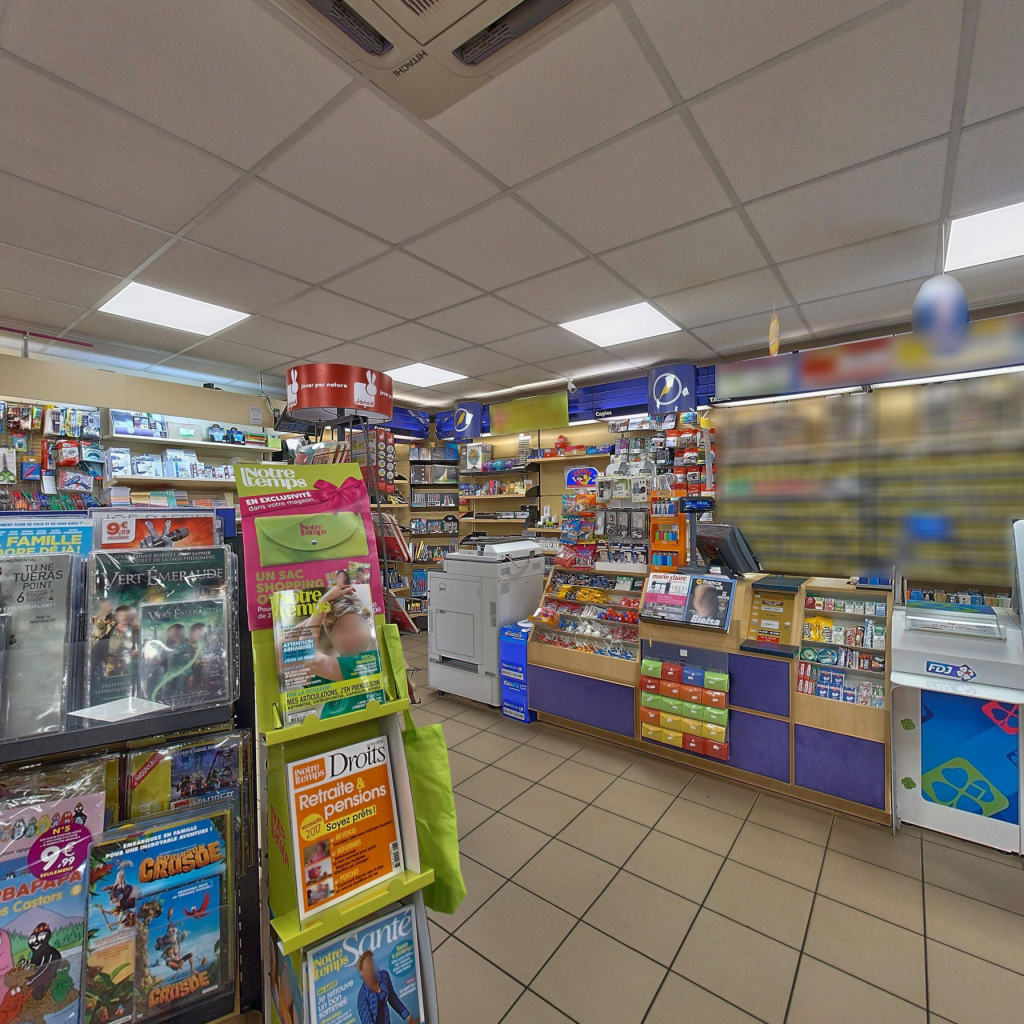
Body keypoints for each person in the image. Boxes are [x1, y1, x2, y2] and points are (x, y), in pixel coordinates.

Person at [355, 950, 418, 1024]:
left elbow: (393, 998)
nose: (370, 968)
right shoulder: (362, 997)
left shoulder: (384, 976)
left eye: (371, 963)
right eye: (367, 967)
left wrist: (406, 1014)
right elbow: (367, 1021)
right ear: (363, 973)